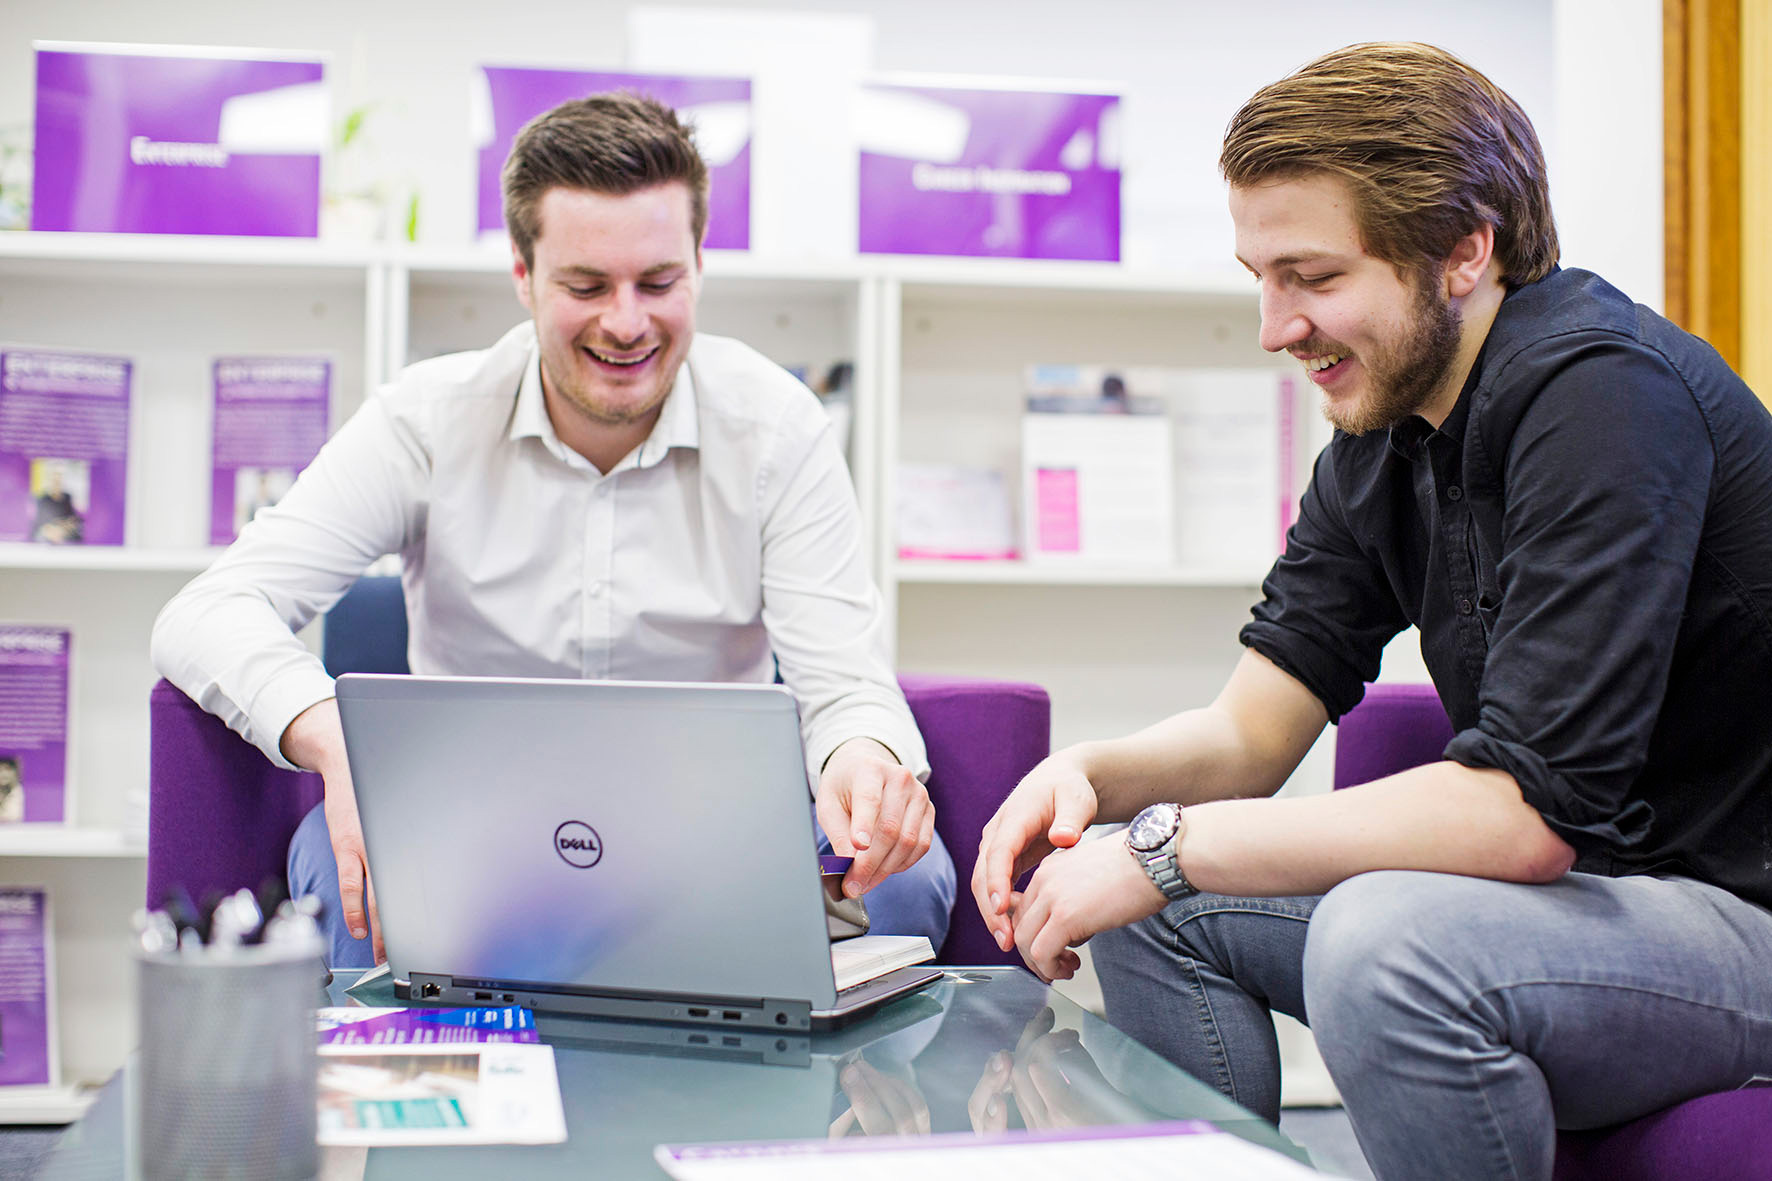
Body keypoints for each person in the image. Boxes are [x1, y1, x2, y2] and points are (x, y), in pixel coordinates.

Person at [971, 42, 1772, 1181]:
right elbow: (1252, 732)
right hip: (1592, 913)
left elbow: (1519, 820)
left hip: (1733, 919)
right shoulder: (1377, 433)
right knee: (1145, 901)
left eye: (1311, 276)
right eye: (1258, 275)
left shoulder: (1602, 395)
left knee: (1381, 942)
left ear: (1463, 252)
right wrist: (1101, 779)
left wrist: (1166, 845)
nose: (1273, 325)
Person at [154, 92, 953, 968]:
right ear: (523, 276)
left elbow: (843, 679)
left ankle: (810, 1110)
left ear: (699, 265)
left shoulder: (778, 429)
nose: (625, 322)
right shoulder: (427, 419)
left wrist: (862, 755)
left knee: (903, 888)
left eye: (658, 282)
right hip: (464, 827)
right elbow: (207, 610)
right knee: (354, 892)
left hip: (715, 829)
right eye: (585, 285)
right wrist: (333, 735)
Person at [0, 756, 23, 823]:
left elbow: (13, 816)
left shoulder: (17, 790)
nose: (3, 774)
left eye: (8, 769)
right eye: (0, 770)